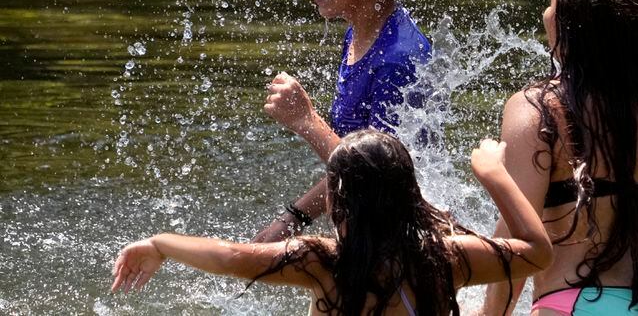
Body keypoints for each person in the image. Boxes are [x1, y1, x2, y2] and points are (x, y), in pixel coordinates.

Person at [112, 131, 554, 315]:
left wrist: (161, 243)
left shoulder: (324, 262)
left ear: (339, 203)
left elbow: (232, 257)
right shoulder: (448, 256)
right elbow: (537, 254)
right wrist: (494, 175)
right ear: (410, 194)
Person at [481, 0, 638, 315]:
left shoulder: (535, 107)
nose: (546, 14)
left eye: (551, 3)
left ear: (569, 25)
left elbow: (517, 233)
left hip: (575, 301)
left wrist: (491, 315)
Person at [253, 0, 431, 243]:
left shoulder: (398, 60)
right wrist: (295, 216)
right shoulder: (361, 31)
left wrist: (307, 121)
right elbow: (356, 154)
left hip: (399, 246)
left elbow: (380, 184)